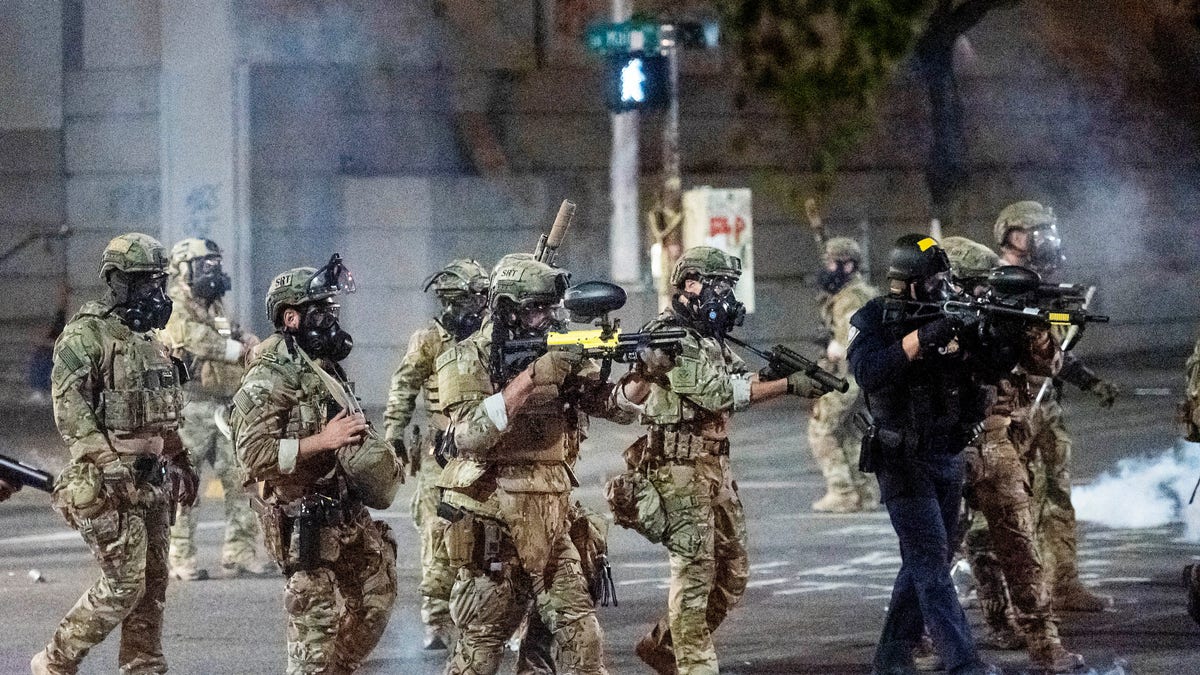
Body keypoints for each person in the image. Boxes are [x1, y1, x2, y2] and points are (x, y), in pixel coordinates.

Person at [613, 246, 826, 675]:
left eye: (730, 286)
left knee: (732, 572)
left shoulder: (706, 337)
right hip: (678, 469)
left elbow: (735, 379)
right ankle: (695, 666)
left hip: (713, 468)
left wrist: (774, 378)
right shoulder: (669, 337)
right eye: (720, 286)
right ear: (691, 284)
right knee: (694, 577)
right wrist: (786, 385)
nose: (727, 296)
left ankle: (666, 648)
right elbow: (716, 394)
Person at [436, 253, 628, 675]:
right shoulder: (466, 358)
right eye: (537, 309)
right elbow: (467, 435)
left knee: (582, 638)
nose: (549, 318)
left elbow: (613, 405)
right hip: (491, 521)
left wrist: (643, 380)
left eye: (552, 308)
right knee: (480, 649)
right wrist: (532, 378)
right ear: (507, 310)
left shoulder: (560, 350)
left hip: (552, 519)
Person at [32, 233, 199, 675]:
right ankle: (54, 662)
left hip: (153, 481)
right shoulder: (86, 335)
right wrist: (108, 467)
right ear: (117, 282)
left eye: (157, 282)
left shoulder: (151, 342)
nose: (154, 294)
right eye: (143, 282)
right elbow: (71, 411)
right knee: (124, 584)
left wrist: (182, 461)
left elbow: (162, 416)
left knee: (153, 585)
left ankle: (143, 664)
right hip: (109, 483)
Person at [230, 256, 398, 674]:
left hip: (344, 511)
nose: (330, 322)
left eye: (332, 312)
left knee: (377, 596)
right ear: (291, 318)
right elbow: (253, 455)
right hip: (301, 521)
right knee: (312, 641)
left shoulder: (321, 367)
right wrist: (321, 441)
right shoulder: (270, 376)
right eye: (321, 313)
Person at [847, 234, 1000, 675]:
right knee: (932, 563)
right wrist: (925, 336)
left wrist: (983, 332)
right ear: (908, 283)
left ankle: (891, 659)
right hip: (901, 459)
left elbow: (988, 372)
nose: (941, 289)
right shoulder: (875, 316)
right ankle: (963, 663)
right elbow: (869, 372)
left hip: (946, 456)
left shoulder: (948, 314)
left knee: (924, 561)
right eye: (933, 282)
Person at [942, 236, 1084, 672]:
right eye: (979, 286)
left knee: (1020, 547)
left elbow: (1050, 366)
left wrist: (1032, 325)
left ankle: (1045, 645)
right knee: (936, 555)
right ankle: (924, 639)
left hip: (997, 440)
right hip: (946, 444)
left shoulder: (1000, 319)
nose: (987, 294)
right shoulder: (935, 320)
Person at [994, 201, 1118, 611]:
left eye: (1048, 230)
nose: (1044, 239)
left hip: (1047, 408)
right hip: (1012, 409)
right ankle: (1017, 597)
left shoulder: (1045, 283)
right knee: (1015, 503)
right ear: (1012, 235)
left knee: (1057, 496)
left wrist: (1088, 380)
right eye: (1035, 231)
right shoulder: (996, 282)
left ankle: (1063, 582)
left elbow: (1053, 352)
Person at [383, 258, 489, 650]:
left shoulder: (490, 334)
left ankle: (493, 615)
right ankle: (437, 619)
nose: (482, 306)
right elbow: (404, 383)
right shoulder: (429, 339)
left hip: (481, 445)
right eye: (474, 299)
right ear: (454, 302)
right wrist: (393, 433)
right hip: (439, 450)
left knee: (489, 531)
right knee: (435, 532)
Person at [159, 237, 265, 580]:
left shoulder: (215, 306)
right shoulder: (174, 306)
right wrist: (238, 350)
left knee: (240, 480)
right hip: (191, 407)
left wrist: (247, 339)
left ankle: (240, 552)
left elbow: (229, 333)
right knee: (185, 484)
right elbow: (197, 341)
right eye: (205, 265)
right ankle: (180, 558)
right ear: (184, 269)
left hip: (224, 406)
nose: (212, 272)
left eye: (214, 265)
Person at [809, 236, 879, 512]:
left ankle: (842, 491)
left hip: (845, 377)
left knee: (821, 430)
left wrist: (832, 346)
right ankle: (865, 493)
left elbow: (849, 338)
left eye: (832, 263)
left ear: (848, 266)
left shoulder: (850, 298)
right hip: (862, 376)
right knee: (850, 434)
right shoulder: (864, 292)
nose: (827, 269)